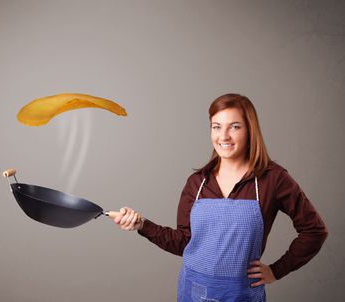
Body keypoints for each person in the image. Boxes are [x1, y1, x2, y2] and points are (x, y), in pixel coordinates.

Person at [114, 93, 328, 302]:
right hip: (192, 292)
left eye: (234, 127)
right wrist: (142, 224)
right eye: (217, 127)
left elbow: (314, 231)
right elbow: (184, 243)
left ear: (250, 130)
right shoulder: (197, 183)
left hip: (241, 295)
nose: (223, 136)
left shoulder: (273, 179)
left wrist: (276, 270)